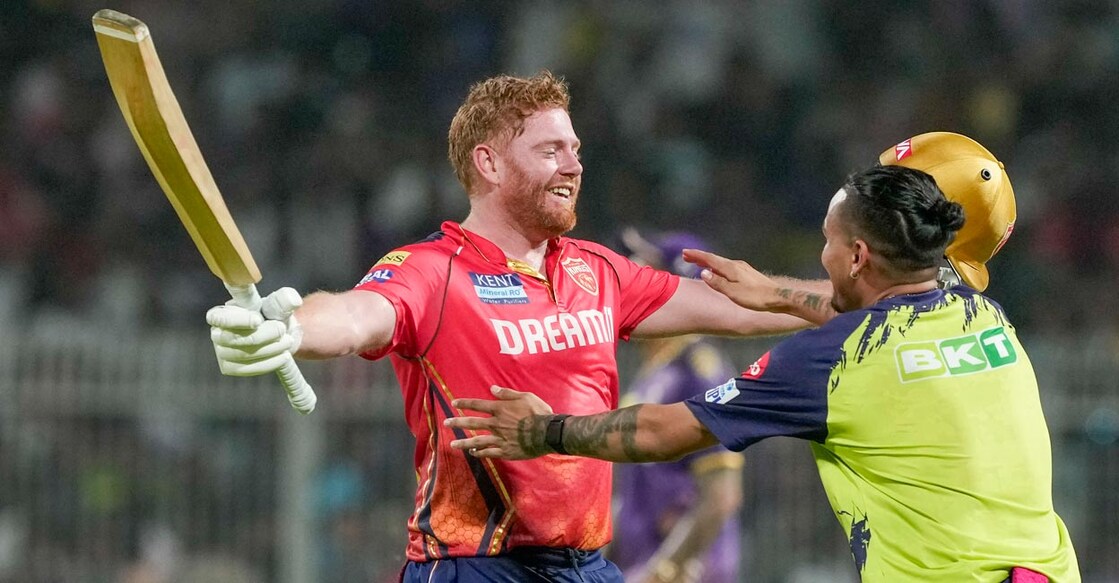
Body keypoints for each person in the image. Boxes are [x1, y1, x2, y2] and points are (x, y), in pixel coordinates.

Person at [205, 70, 830, 582]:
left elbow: (741, 307)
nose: (574, 165)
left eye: (577, 150)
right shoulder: (432, 271)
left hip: (589, 568)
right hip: (473, 568)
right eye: (551, 150)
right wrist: (291, 325)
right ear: (491, 164)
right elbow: (354, 314)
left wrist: (878, 296)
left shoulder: (597, 271)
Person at [445, 162, 1081, 581]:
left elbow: (665, 434)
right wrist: (777, 294)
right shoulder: (983, 315)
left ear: (857, 254)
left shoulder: (830, 362)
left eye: (829, 241)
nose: (821, 254)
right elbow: (873, 305)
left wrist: (545, 433)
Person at [611, 228, 744, 583]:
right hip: (641, 563)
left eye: (646, 270)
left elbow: (721, 495)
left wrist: (663, 570)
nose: (630, 278)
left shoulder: (698, 370)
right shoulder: (656, 369)